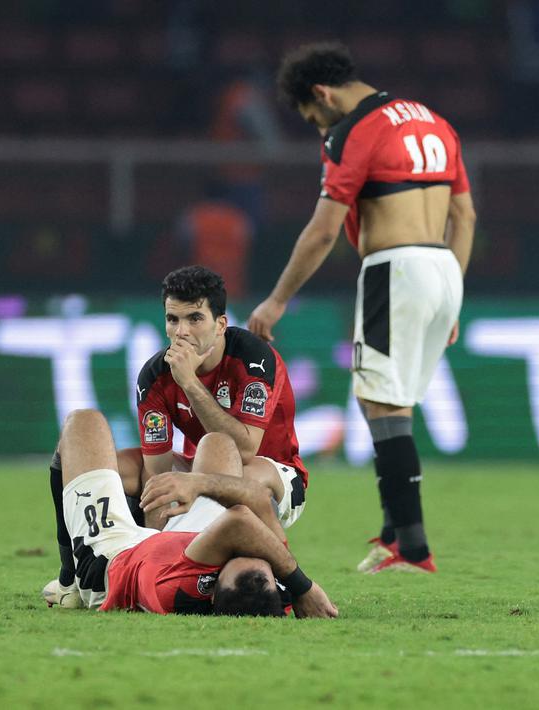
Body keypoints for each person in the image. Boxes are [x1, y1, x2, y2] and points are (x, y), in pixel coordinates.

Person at [247, 42, 476, 575]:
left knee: (381, 400)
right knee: (394, 402)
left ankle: (411, 549)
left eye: (311, 116)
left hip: (394, 268)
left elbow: (325, 228)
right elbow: (463, 215)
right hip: (443, 268)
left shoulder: (352, 132)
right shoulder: (435, 122)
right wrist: (454, 292)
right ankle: (397, 534)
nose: (315, 126)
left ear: (322, 94)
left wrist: (277, 299)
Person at [43, 265, 308, 605]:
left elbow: (245, 448)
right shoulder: (154, 376)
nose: (181, 332)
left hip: (276, 474)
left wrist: (191, 384)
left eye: (195, 319)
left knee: (228, 454)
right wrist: (153, 542)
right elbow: (157, 473)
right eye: (173, 319)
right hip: (203, 469)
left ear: (220, 324)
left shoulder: (253, 359)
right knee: (114, 462)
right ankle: (74, 572)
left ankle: (198, 557)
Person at [43, 409, 336, 617]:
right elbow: (258, 501)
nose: (250, 550)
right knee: (218, 444)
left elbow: (241, 522)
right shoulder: (271, 588)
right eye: (261, 559)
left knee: (84, 423)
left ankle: (69, 580)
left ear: (213, 586)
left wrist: (305, 587)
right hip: (187, 543)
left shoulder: (181, 588)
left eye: (235, 556)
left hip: (113, 560)